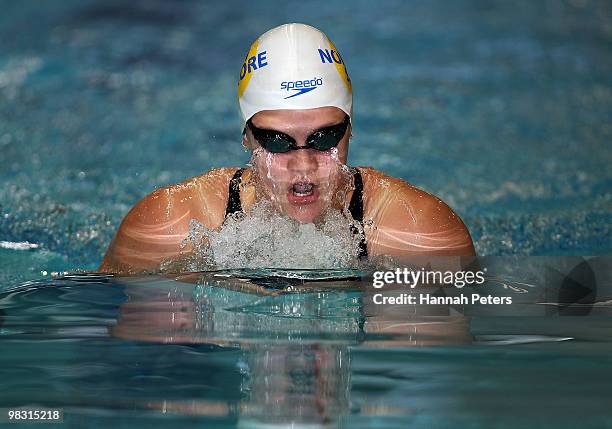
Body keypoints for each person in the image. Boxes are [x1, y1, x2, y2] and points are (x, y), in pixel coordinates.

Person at [99, 23, 475, 274]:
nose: (303, 166)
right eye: (278, 142)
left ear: (351, 128)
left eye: (325, 138)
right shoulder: (167, 227)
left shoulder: (421, 236)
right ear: (247, 136)